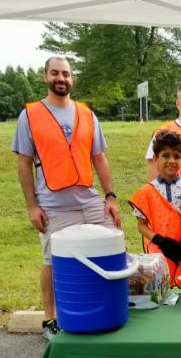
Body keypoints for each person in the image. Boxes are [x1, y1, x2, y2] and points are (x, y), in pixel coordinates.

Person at [13, 56, 121, 340]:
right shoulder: (31, 115)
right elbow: (24, 162)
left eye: (66, 74)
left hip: (89, 200)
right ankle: (51, 319)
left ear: (72, 78)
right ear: (45, 77)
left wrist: (110, 197)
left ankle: (110, 307)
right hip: (53, 206)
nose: (61, 78)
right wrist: (32, 205)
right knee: (52, 260)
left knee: (113, 246)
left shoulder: (86, 113)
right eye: (55, 73)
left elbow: (99, 157)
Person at [129, 130, 181, 287]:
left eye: (176, 156)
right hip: (160, 253)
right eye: (166, 155)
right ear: (155, 158)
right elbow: (141, 225)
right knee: (162, 290)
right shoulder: (146, 192)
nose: (171, 160)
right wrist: (160, 241)